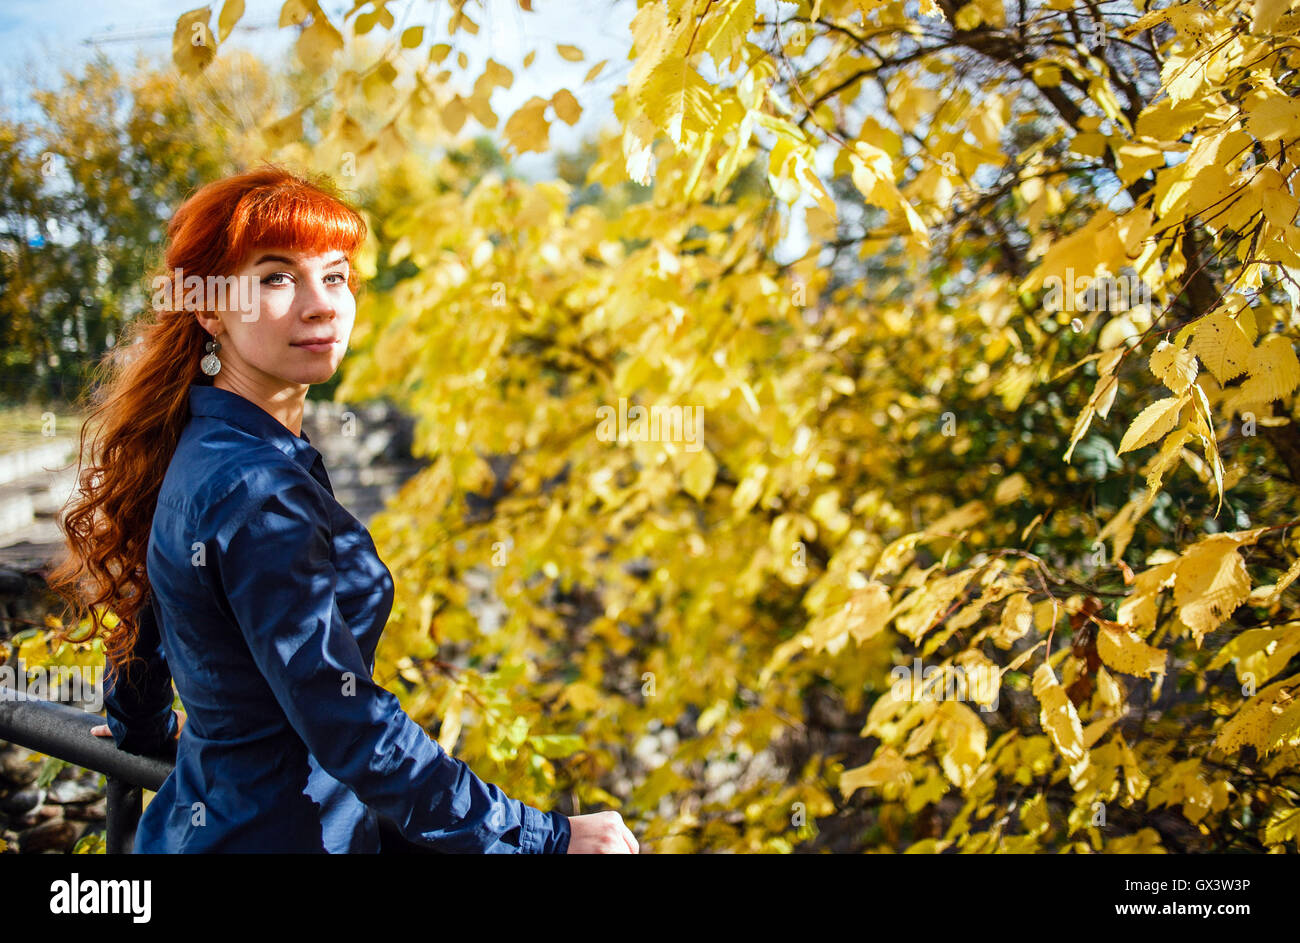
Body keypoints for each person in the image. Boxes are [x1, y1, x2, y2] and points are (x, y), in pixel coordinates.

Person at [47, 165, 637, 854]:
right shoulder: (256, 488)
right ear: (208, 309)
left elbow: (151, 613)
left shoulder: (206, 444)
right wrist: (543, 835)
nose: (322, 303)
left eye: (334, 275)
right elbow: (349, 719)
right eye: (276, 276)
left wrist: (142, 728)